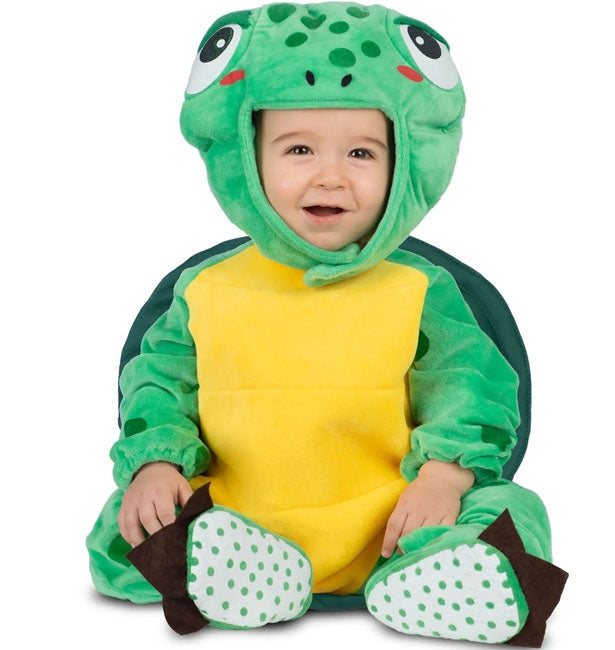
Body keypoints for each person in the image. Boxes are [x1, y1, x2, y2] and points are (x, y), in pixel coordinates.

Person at [87, 3, 566, 644]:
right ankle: (237, 566)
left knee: (511, 510)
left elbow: (468, 386)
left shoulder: (421, 288)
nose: (331, 176)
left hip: (398, 523)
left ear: (404, 163)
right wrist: (154, 464)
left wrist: (445, 476)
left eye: (362, 152)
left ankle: (447, 572)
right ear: (247, 157)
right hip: (236, 517)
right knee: (131, 520)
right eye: (299, 149)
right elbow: (159, 385)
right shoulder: (204, 289)